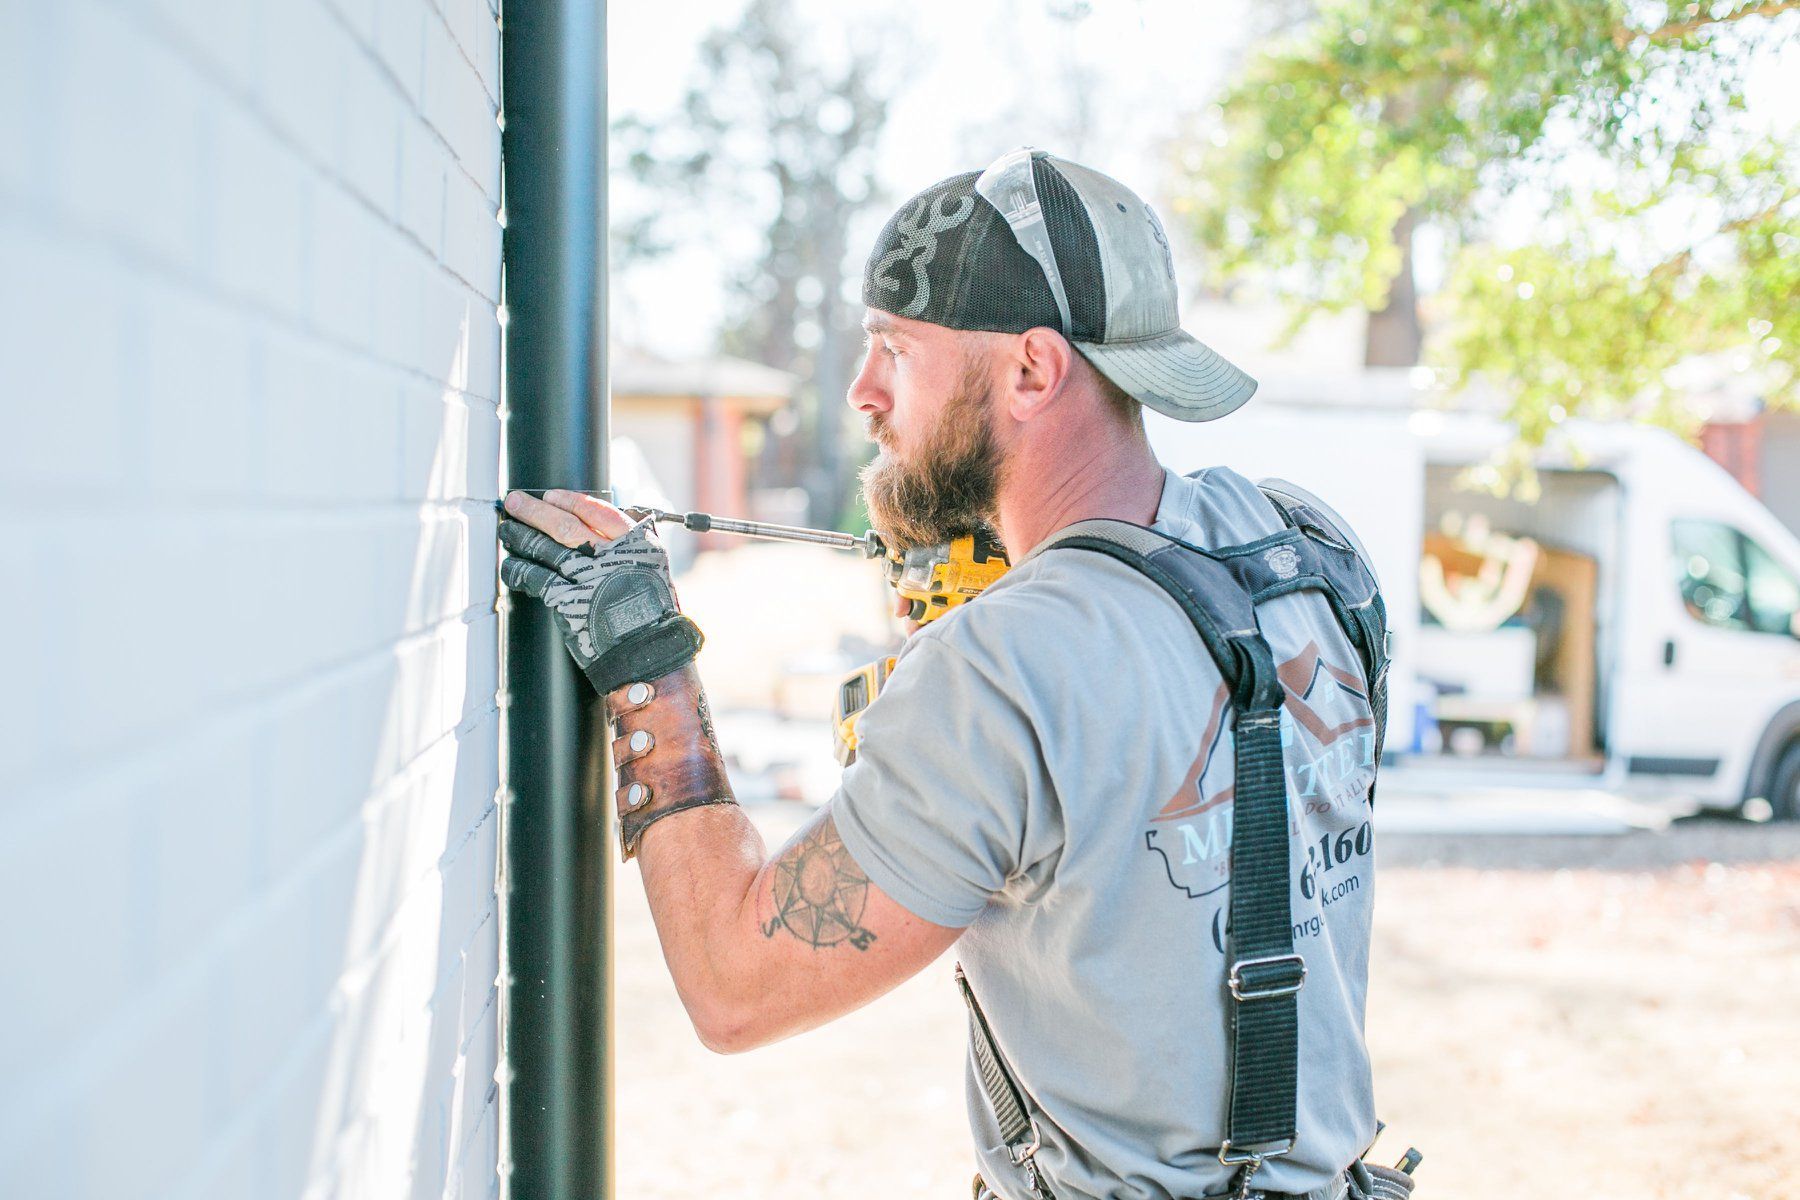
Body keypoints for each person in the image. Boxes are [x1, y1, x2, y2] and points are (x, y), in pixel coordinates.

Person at [499, 149, 1395, 1200]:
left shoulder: (1000, 670)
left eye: (896, 348)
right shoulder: (1303, 551)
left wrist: (645, 658)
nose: (862, 391)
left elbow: (735, 987)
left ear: (1032, 372)